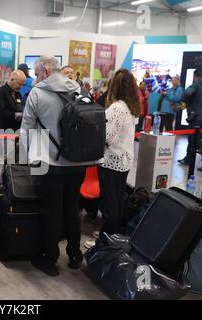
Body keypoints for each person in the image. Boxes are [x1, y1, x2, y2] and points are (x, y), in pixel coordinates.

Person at [20, 55, 98, 277]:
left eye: (36, 74)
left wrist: (32, 160)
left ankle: (50, 259)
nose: (35, 78)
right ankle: (75, 256)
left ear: (45, 71)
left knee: (52, 211)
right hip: (78, 162)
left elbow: (27, 130)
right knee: (72, 208)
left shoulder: (37, 93)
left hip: (50, 163)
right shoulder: (81, 91)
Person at [85, 69, 140, 249]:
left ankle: (104, 242)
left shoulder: (116, 108)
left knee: (109, 204)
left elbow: (108, 137)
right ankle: (112, 235)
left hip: (111, 160)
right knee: (116, 200)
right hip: (124, 160)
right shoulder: (131, 108)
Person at [178, 68, 202, 165]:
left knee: (194, 140)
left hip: (195, 117)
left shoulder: (196, 85)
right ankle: (188, 159)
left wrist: (184, 101)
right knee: (193, 139)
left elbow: (187, 93)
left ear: (194, 76)